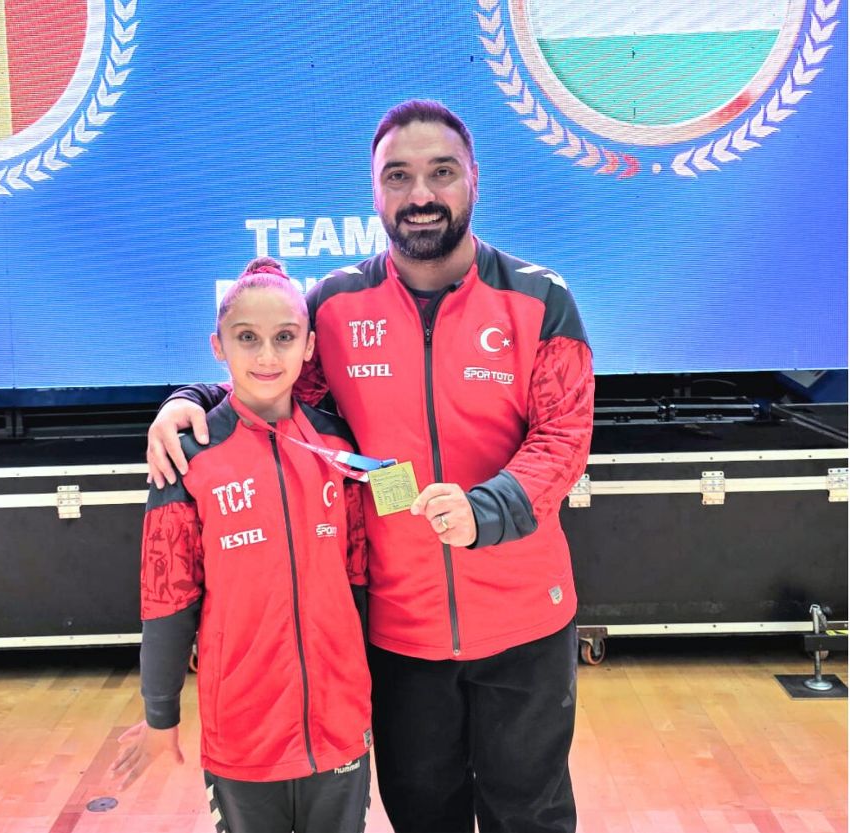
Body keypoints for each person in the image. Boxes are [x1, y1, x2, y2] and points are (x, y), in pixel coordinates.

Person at [147, 101, 594, 833]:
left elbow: (563, 436)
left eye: (441, 172)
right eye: (398, 176)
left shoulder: (539, 298)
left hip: (526, 623)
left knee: (531, 817)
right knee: (422, 817)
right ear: (375, 192)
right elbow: (265, 374)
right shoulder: (334, 305)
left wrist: (485, 510)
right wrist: (187, 399)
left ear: (474, 179)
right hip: (398, 632)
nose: (420, 193)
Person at [112, 258, 374, 833]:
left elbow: (359, 581)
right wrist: (160, 716)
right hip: (243, 732)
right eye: (247, 338)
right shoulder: (187, 458)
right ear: (218, 347)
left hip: (341, 726)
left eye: (285, 337)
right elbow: (166, 601)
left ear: (309, 347)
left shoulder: (338, 445)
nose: (267, 356)